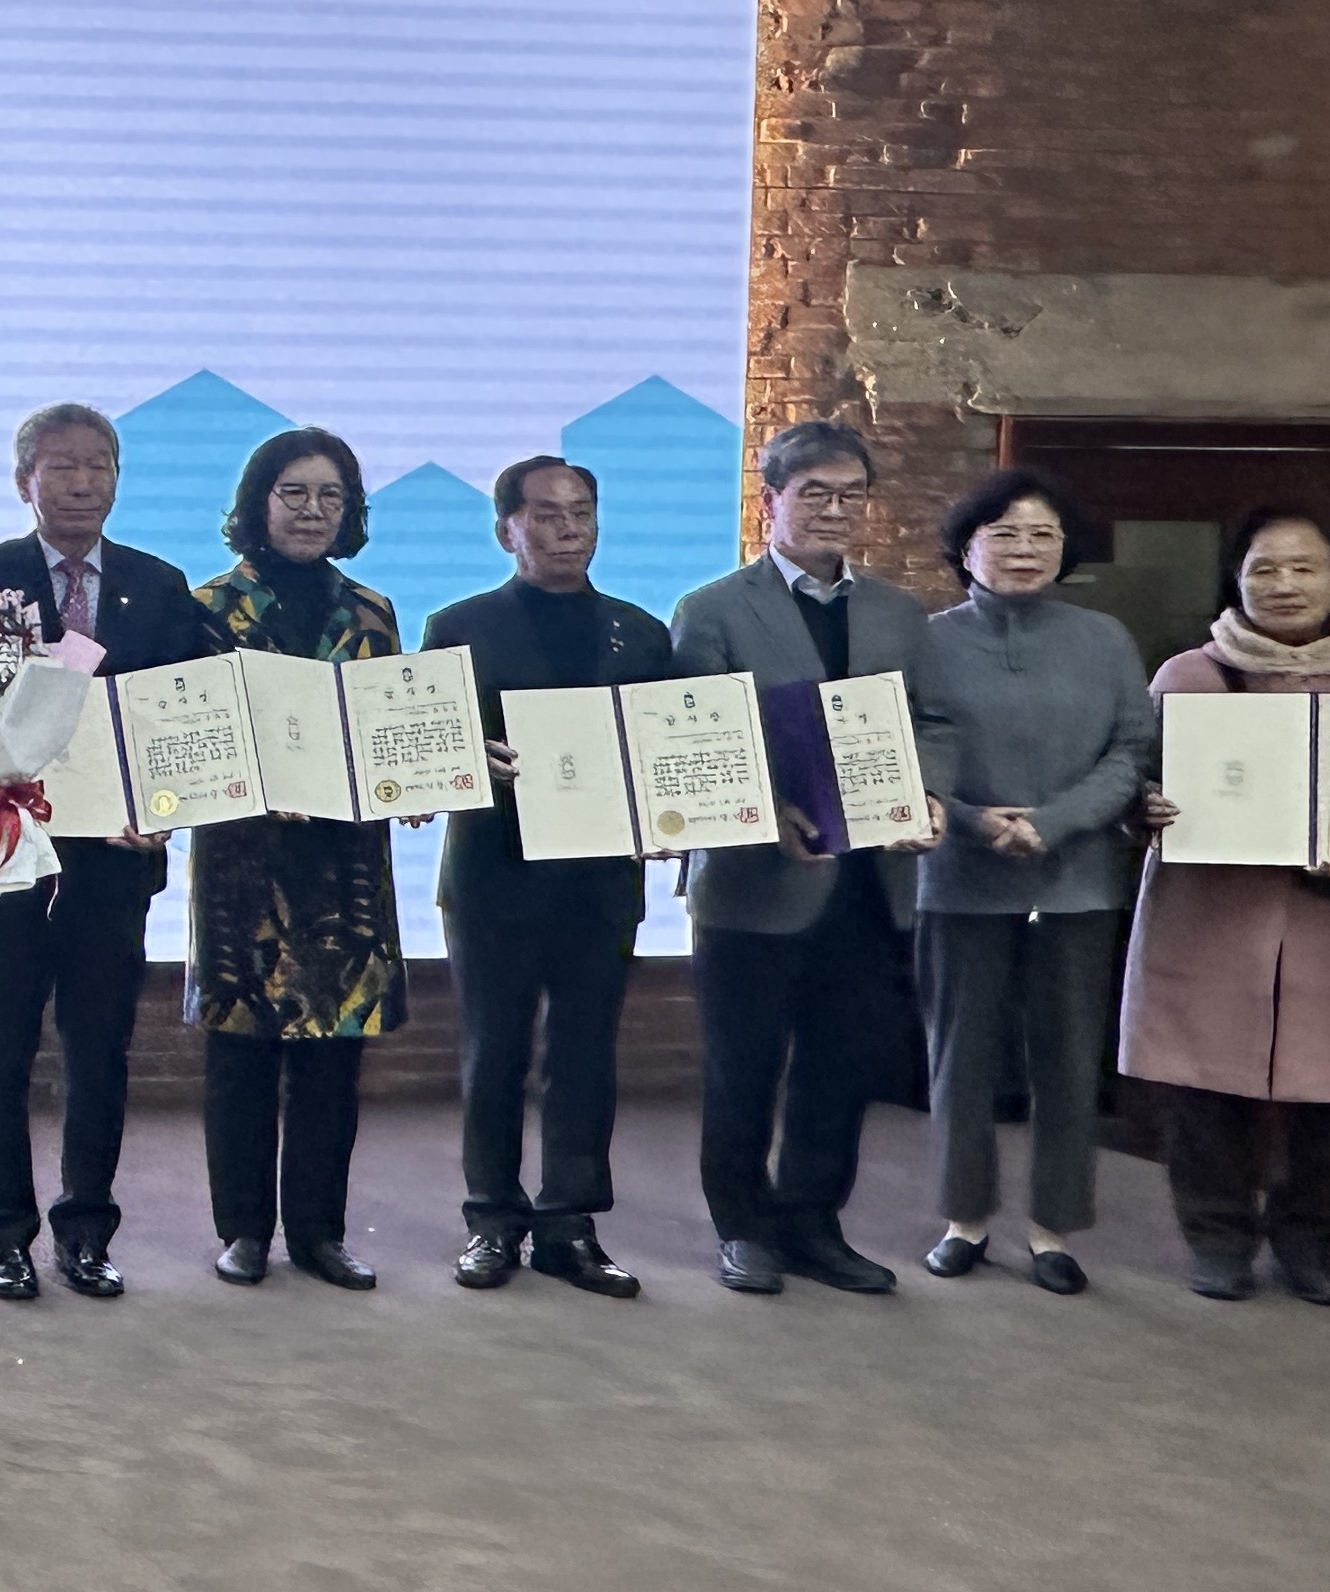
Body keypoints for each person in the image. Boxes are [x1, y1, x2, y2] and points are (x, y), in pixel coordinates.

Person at [668, 418, 951, 1298]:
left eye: (850, 495)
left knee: (840, 1066)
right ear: (771, 502)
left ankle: (814, 1223)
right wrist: (768, 817)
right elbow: (700, 737)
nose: (834, 510)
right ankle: (743, 1228)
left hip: (869, 881)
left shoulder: (898, 612)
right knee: (743, 1067)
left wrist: (929, 795)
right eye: (815, 494)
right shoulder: (713, 608)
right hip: (755, 882)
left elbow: (933, 723)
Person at [0, 401, 207, 1302]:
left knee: (99, 1052)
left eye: (100, 465)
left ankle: (86, 1231)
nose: (83, 482)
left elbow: (184, 720)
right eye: (62, 465)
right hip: (8, 855)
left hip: (115, 860)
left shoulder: (160, 586)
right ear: (26, 482)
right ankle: (3, 1235)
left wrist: (169, 805)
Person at [420, 455, 674, 1297]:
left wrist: (673, 815)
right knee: (493, 1054)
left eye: (582, 512)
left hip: (600, 881)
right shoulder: (458, 627)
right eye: (547, 514)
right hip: (494, 874)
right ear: (507, 530)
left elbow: (667, 752)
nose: (569, 529)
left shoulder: (640, 632)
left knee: (586, 1056)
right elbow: (424, 750)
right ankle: (492, 1219)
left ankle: (570, 1224)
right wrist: (467, 757)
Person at [910, 469, 1150, 1295]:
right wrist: (975, 821)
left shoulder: (1105, 639)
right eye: (1004, 533)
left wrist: (1053, 822)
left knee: (1069, 1059)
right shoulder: (927, 641)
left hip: (1077, 880)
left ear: (1065, 549)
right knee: (960, 1056)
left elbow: (1130, 750)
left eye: (1042, 534)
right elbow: (908, 754)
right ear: (965, 547)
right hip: (960, 876)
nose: (1024, 549)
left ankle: (1054, 1229)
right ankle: (963, 1219)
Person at [189, 428, 411, 1291]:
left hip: (343, 866)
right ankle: (243, 1230)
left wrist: (416, 777)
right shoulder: (209, 608)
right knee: (241, 1055)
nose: (312, 510)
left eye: (330, 495)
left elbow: (392, 730)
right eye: (294, 493)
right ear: (259, 502)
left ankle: (320, 1233)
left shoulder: (372, 612)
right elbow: (189, 734)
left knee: (333, 1059)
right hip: (246, 865)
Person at [1132, 503, 1330, 1303]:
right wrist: (1144, 806)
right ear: (1236, 579)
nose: (1284, 583)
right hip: (1210, 915)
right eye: (1264, 568)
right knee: (1205, 1083)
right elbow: (1133, 778)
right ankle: (1217, 1240)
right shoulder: (1188, 676)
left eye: (1304, 567)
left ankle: (1310, 1243)